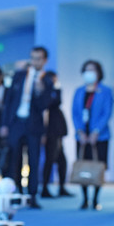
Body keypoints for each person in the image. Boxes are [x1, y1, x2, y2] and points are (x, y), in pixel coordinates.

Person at [0, 46, 58, 209]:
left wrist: (40, 90)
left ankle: (32, 195)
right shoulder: (19, 76)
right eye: (33, 58)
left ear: (45, 60)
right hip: (16, 123)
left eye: (39, 58)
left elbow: (45, 105)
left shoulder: (48, 80)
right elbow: (8, 101)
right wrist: (5, 124)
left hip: (34, 125)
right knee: (14, 159)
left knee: (34, 160)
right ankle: (16, 191)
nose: (35, 61)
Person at [72, 60, 113, 210]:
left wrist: (96, 131)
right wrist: (80, 131)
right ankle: (84, 199)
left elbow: (106, 113)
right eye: (86, 70)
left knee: (98, 166)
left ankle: (95, 198)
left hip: (100, 136)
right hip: (82, 136)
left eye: (92, 70)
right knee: (83, 166)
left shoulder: (105, 91)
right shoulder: (79, 91)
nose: (89, 73)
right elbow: (75, 113)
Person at [42, 67, 71, 199]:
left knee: (61, 160)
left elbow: (58, 101)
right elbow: (50, 103)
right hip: (50, 131)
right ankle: (44, 188)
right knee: (49, 159)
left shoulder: (56, 91)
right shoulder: (45, 93)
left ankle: (62, 187)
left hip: (58, 129)